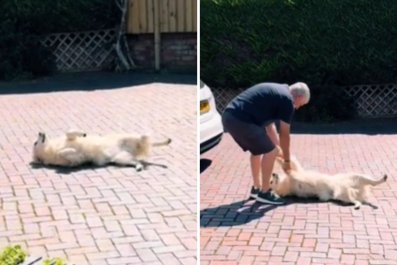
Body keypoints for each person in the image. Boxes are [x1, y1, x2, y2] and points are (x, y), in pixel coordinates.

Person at [222, 82, 310, 205]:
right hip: (241, 120)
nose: (298, 107)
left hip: (229, 116)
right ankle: (265, 192)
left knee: (258, 151)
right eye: (301, 104)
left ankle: (256, 188)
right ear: (299, 97)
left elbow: (270, 127)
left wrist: (278, 150)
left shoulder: (277, 93)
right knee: (271, 151)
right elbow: (285, 135)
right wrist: (287, 161)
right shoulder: (288, 101)